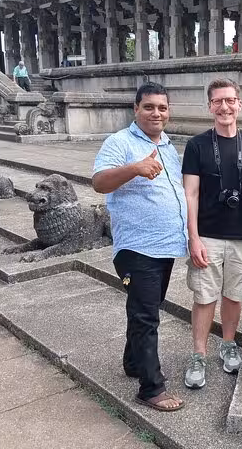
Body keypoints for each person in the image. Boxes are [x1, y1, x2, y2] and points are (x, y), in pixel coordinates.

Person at [92, 82, 187, 412]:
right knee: (146, 316)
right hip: (136, 247)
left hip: (166, 246)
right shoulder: (119, 142)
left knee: (147, 308)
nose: (156, 113)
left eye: (162, 107)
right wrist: (134, 168)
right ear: (136, 109)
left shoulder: (170, 147)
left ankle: (134, 363)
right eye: (149, 107)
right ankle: (151, 388)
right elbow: (99, 182)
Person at [182, 78, 242, 389]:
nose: (224, 106)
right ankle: (198, 355)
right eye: (218, 101)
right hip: (207, 235)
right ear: (210, 107)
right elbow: (190, 195)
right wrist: (193, 238)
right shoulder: (197, 146)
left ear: (239, 105)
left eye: (230, 100)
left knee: (234, 295)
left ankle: (228, 344)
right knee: (205, 296)